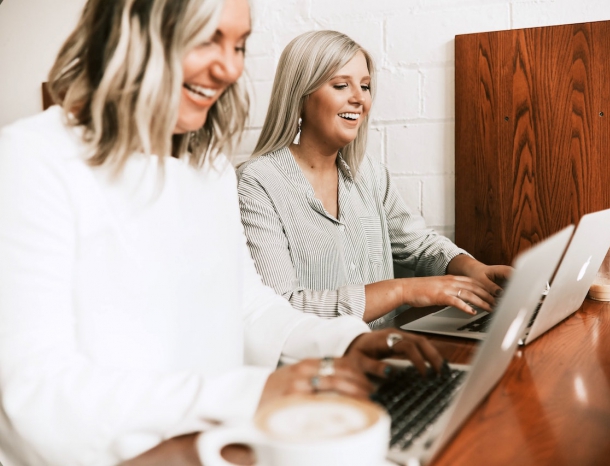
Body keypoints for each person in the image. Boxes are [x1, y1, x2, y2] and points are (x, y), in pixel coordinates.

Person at [0, 2, 442, 465]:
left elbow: (248, 306)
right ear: (132, 30)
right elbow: (34, 391)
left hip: (218, 448)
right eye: (207, 38)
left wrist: (343, 342)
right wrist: (251, 393)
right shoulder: (34, 158)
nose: (229, 67)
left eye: (239, 44)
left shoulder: (208, 169)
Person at [237, 30, 512, 326]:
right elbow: (282, 308)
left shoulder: (369, 174)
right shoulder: (257, 183)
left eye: (365, 86)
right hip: (319, 365)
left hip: (387, 352)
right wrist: (402, 291)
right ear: (300, 95)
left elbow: (417, 244)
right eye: (341, 85)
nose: (359, 99)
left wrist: (471, 268)